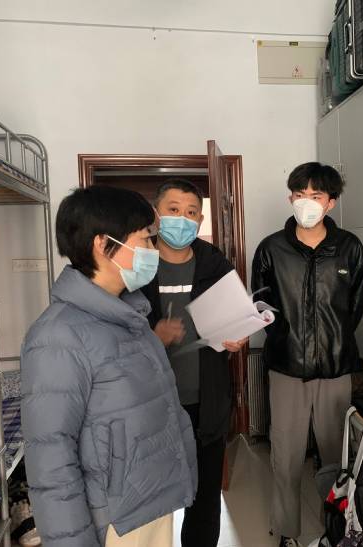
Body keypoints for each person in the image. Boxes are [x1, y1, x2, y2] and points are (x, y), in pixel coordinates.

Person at [21, 185, 197, 547]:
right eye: (145, 240)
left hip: (150, 502)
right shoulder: (58, 336)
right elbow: (51, 457)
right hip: (116, 521)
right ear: (103, 245)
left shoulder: (131, 316)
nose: (153, 251)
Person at [252, 162, 363, 547]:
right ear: (290, 198)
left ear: (331, 202)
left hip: (335, 369)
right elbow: (261, 305)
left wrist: (333, 342)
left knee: (336, 459)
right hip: (286, 368)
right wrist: (286, 340)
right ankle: (287, 532)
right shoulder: (271, 249)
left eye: (315, 195)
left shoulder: (349, 248)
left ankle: (336, 529)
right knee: (285, 457)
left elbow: (355, 307)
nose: (306, 202)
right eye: (299, 194)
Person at [141, 179, 245, 547]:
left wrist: (237, 337)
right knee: (152, 501)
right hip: (151, 406)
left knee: (204, 501)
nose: (182, 219)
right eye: (173, 210)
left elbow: (236, 318)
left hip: (206, 404)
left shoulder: (215, 264)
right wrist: (151, 337)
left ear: (200, 220)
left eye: (191, 213)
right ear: (156, 214)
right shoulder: (137, 264)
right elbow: (114, 336)